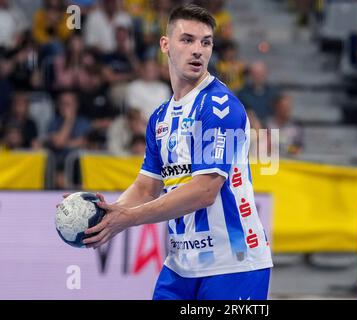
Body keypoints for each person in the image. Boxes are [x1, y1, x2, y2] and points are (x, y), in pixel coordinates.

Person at [62, 4, 273, 300]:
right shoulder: (160, 117)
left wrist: (129, 218)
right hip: (181, 267)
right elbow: (147, 187)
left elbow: (204, 192)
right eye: (187, 40)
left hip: (234, 264)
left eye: (206, 42)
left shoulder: (220, 106)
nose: (198, 50)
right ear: (165, 44)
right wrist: (109, 216)